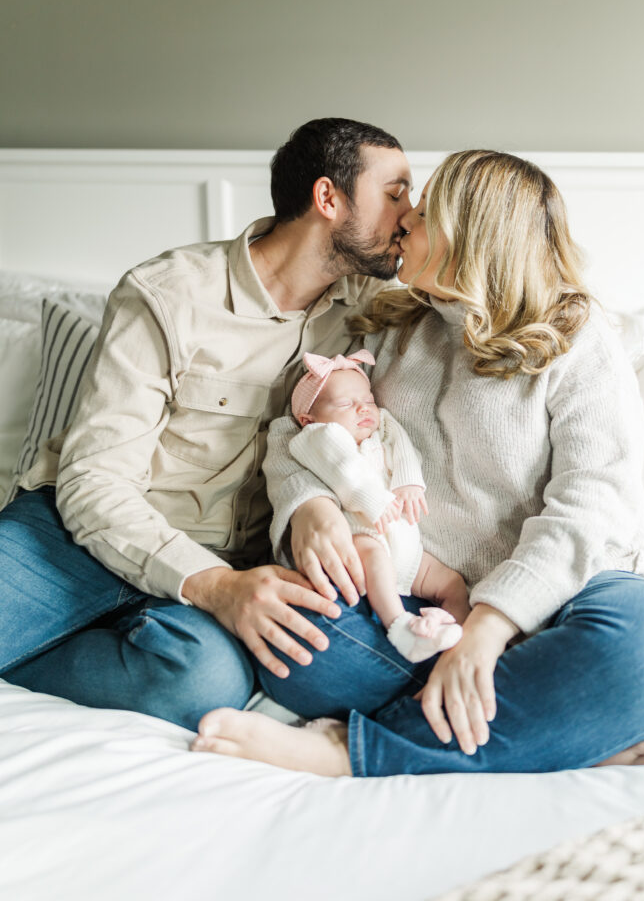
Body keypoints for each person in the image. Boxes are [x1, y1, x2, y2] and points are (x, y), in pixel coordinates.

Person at [190, 149, 644, 774]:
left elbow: (593, 506)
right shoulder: (388, 326)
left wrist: (488, 628)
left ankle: (348, 751)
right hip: (415, 601)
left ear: (467, 235)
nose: (402, 225)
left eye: (421, 215)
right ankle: (559, 729)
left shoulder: (578, 337)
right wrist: (307, 505)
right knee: (300, 645)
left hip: (563, 595)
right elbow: (301, 428)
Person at [0, 117, 417, 731]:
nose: (409, 215)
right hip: (74, 536)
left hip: (222, 558)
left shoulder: (368, 314)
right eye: (395, 192)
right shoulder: (169, 294)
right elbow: (93, 482)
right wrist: (214, 588)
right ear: (328, 199)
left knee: (204, 682)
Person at [288, 348, 463, 662]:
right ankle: (400, 626)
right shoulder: (319, 436)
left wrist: (409, 482)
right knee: (375, 559)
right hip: (362, 532)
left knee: (452, 583)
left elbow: (402, 445)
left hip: (407, 545)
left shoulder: (380, 429)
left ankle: (451, 628)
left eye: (368, 400)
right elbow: (344, 471)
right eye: (345, 404)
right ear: (308, 418)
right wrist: (375, 500)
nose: (362, 408)